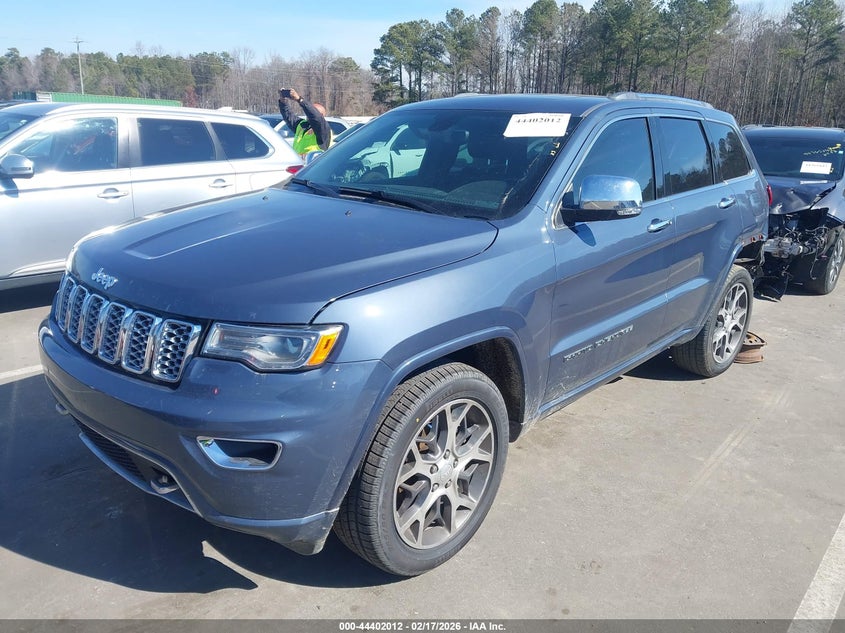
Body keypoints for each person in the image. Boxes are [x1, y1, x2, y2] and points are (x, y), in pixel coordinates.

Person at [278, 88, 332, 158]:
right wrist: (283, 101)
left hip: (314, 163)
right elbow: (288, 116)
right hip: (299, 162)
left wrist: (299, 99)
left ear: (321, 115)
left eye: (312, 110)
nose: (308, 113)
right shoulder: (302, 125)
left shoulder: (323, 129)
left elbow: (314, 115)